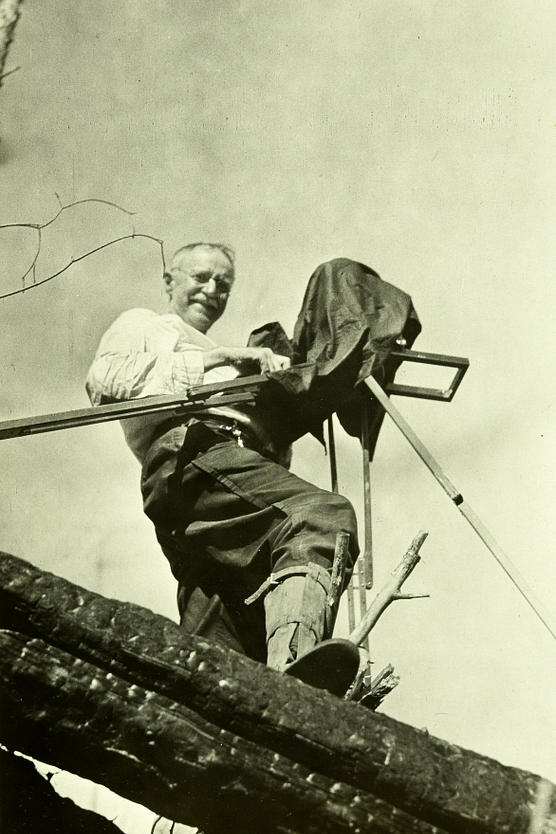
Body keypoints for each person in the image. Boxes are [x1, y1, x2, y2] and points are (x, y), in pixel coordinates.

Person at [86, 243, 359, 686]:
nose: (212, 289)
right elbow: (107, 380)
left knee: (227, 625)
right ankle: (298, 672)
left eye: (223, 284)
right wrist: (225, 357)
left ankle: (228, 711)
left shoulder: (230, 366)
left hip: (201, 489)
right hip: (191, 455)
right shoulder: (146, 324)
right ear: (169, 281)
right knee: (320, 516)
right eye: (201, 277)